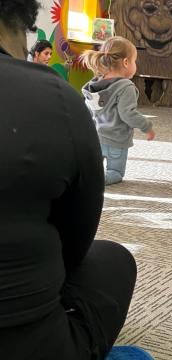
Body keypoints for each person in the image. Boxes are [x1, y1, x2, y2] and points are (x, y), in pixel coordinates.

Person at [0, 1, 137, 359]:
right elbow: (75, 245)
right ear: (19, 19)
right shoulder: (55, 97)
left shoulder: (86, 90)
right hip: (32, 346)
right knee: (116, 259)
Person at [81, 36, 156, 185]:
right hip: (117, 141)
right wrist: (147, 126)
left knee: (91, 168)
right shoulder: (126, 87)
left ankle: (85, 176)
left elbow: (87, 113)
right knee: (115, 173)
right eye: (134, 61)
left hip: (95, 139)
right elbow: (128, 114)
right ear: (126, 62)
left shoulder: (93, 86)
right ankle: (97, 181)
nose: (135, 65)